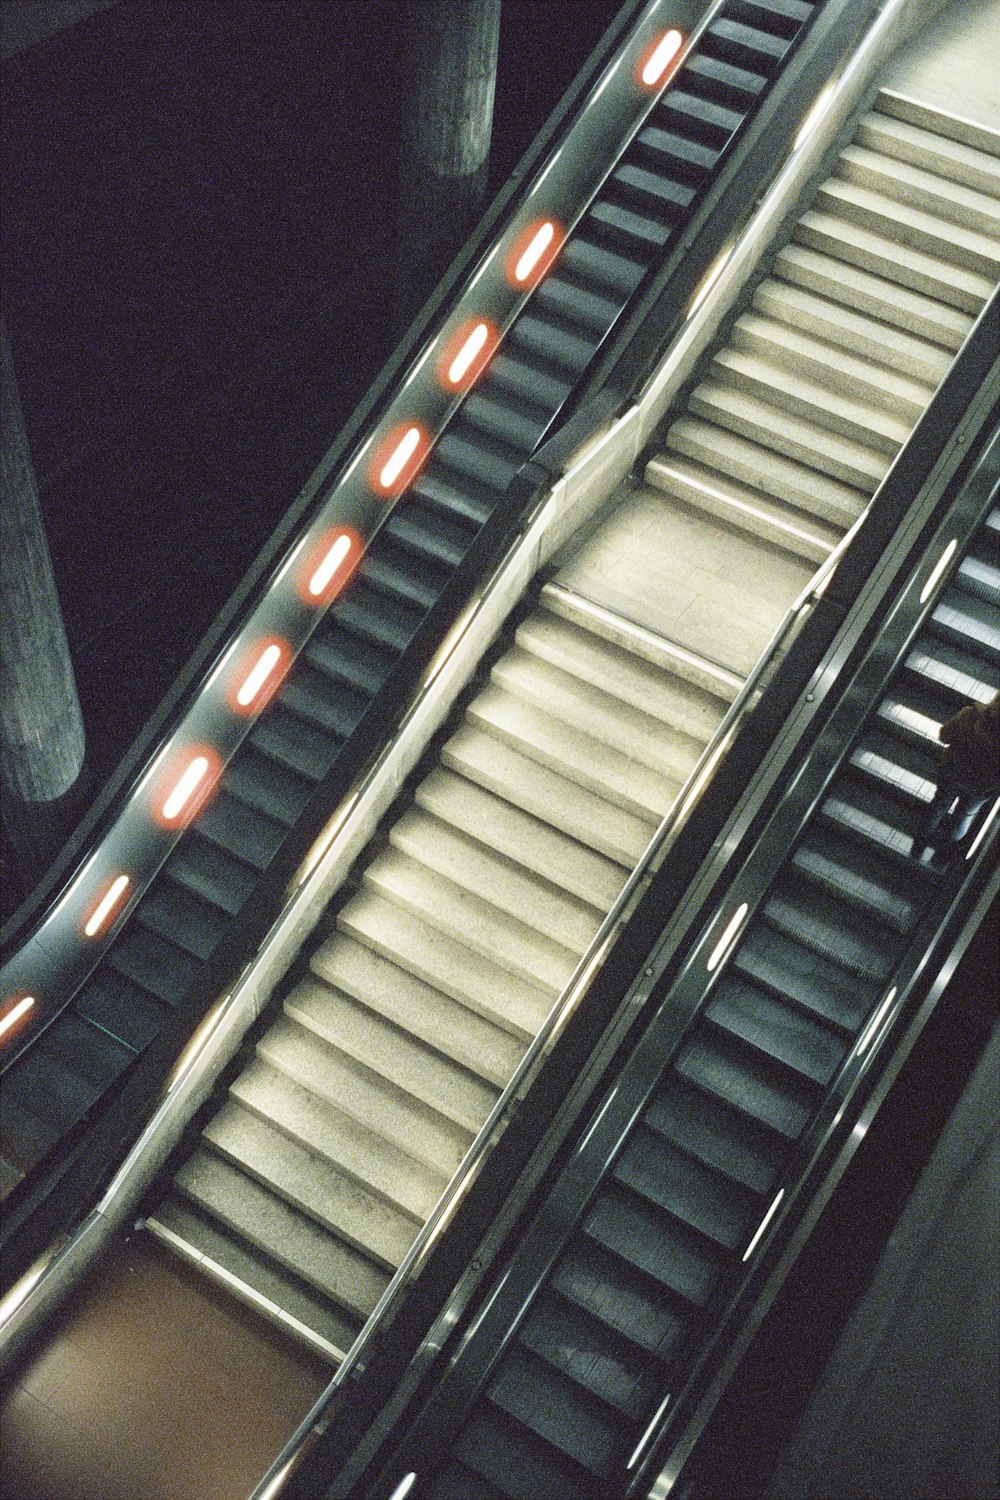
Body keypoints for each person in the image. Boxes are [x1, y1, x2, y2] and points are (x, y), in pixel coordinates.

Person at [917, 690, 1000, 868]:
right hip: (981, 788)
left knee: (939, 805)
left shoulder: (971, 715)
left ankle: (918, 846)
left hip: (952, 772)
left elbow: (944, 736)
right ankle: (940, 858)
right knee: (963, 818)